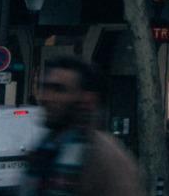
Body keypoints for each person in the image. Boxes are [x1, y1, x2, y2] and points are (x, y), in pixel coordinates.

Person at [23, 55, 140, 196]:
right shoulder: (45, 148)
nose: (45, 98)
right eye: (45, 88)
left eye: (58, 90)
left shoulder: (106, 158)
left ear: (86, 99)